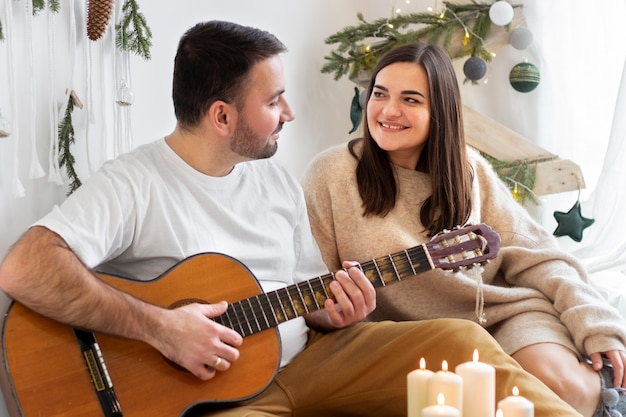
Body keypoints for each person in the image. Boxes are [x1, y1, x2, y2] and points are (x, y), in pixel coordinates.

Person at [0, 22, 581, 417]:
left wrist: (337, 310)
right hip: (223, 397)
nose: (291, 112)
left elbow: (311, 294)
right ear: (223, 115)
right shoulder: (135, 183)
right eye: (274, 99)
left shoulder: (274, 180)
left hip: (312, 361)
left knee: (459, 340)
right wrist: (160, 327)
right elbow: (25, 267)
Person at [302, 41, 626, 417]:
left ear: (439, 110)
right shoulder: (330, 174)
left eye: (410, 100)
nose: (389, 111)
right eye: (380, 94)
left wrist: (593, 319)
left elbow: (538, 255)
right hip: (408, 337)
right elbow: (309, 280)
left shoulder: (469, 169)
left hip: (500, 314)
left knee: (562, 391)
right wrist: (332, 313)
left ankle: (609, 397)